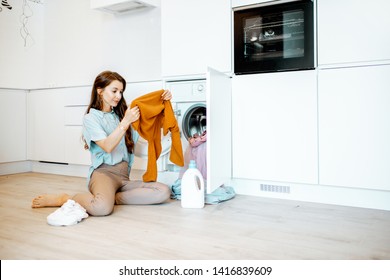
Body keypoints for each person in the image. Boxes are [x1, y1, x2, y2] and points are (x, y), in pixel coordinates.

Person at [32, 70, 172, 225]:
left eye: (121, 92)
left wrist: (162, 100)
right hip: (103, 174)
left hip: (124, 177)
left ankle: (112, 198)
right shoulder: (91, 118)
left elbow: (148, 120)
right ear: (100, 91)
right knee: (101, 209)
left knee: (163, 192)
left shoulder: (120, 115)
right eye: (114, 91)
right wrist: (125, 122)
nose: (118, 96)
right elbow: (107, 146)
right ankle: (67, 198)